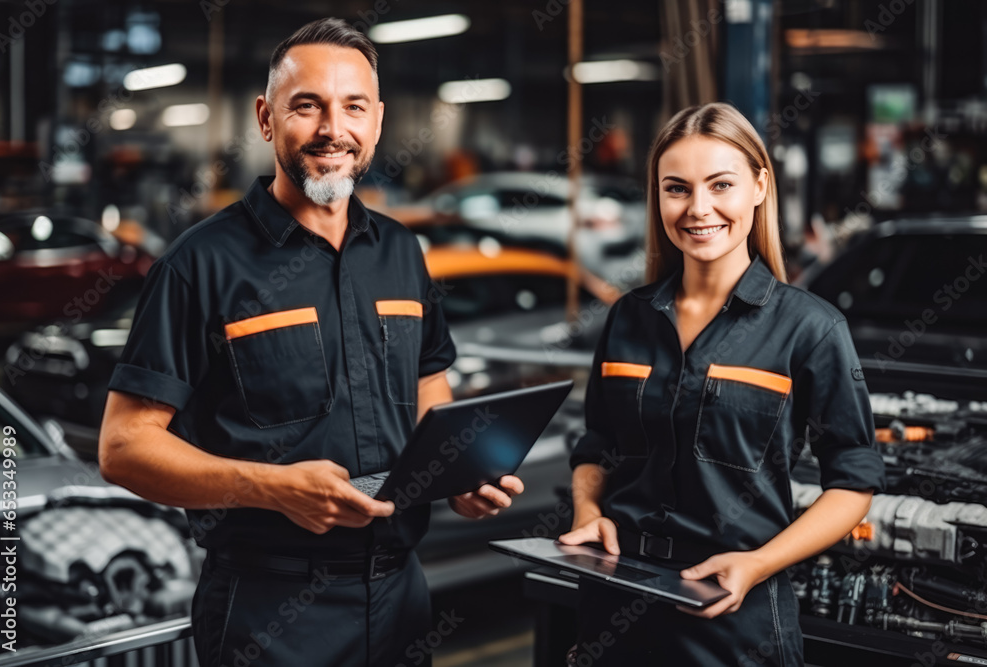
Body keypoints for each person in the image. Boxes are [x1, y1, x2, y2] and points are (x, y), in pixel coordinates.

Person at [97, 18, 523, 667]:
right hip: (270, 611)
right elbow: (124, 448)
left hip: (401, 595)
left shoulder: (401, 253)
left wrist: (460, 475)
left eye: (353, 106)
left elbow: (428, 396)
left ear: (377, 121)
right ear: (266, 119)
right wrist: (271, 486)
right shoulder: (200, 264)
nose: (333, 129)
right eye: (307, 105)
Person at [558, 102, 886, 665]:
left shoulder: (810, 327)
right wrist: (588, 513)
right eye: (677, 189)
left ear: (760, 186)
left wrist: (758, 564)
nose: (698, 208)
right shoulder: (628, 317)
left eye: (721, 185)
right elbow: (597, 447)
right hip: (617, 596)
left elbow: (853, 484)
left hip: (735, 613)